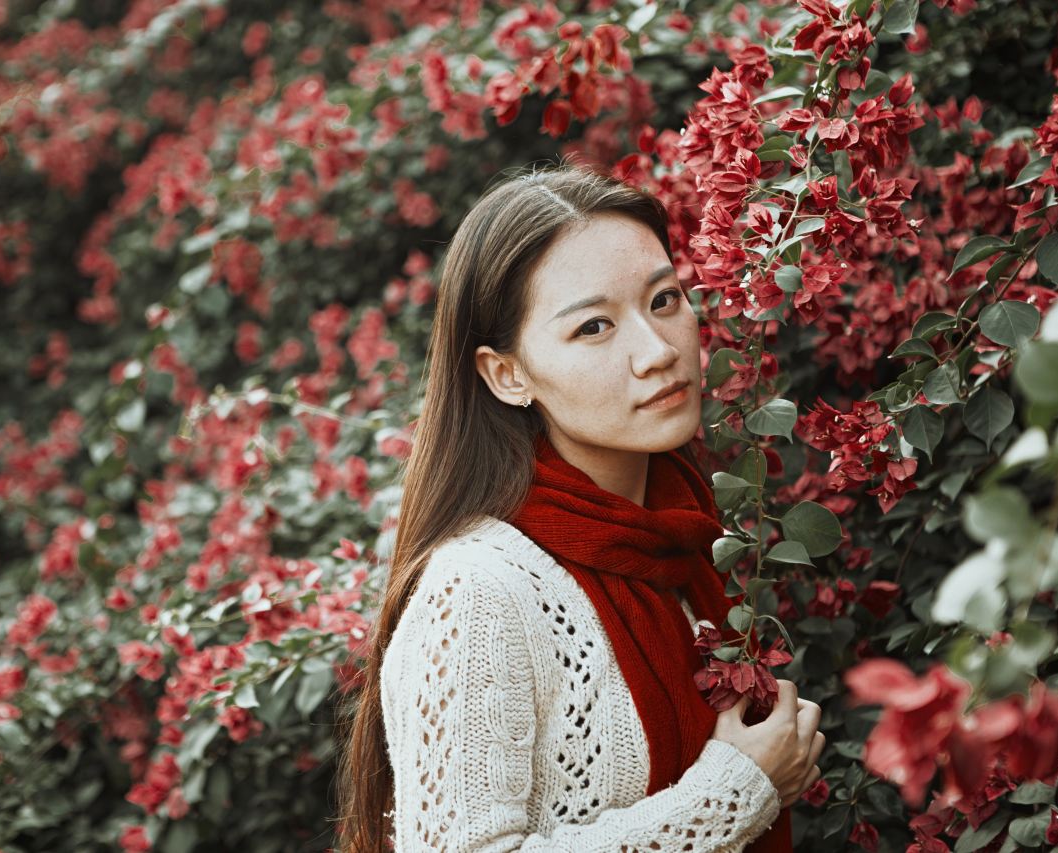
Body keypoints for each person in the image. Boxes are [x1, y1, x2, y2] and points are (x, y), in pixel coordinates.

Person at [335, 159, 824, 852]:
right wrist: (737, 789)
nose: (657, 351)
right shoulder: (480, 589)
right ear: (507, 374)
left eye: (663, 300)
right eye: (593, 327)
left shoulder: (683, 536)